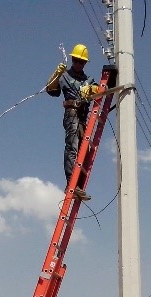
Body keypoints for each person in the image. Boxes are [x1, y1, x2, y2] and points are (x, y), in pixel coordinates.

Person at [46, 43, 98, 201]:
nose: (78, 64)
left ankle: (79, 185)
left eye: (81, 62)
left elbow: (99, 90)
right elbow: (51, 90)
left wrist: (91, 90)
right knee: (72, 147)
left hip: (83, 116)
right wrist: (55, 74)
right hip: (72, 114)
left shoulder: (88, 79)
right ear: (72, 59)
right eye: (76, 60)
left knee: (84, 150)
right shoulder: (64, 77)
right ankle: (72, 184)